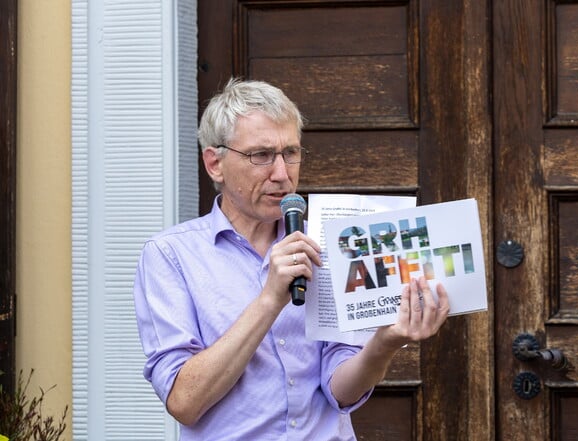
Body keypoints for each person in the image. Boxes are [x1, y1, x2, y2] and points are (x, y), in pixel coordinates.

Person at [133, 78, 451, 440]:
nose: (283, 175)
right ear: (214, 164)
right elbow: (185, 402)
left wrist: (385, 343)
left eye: (291, 153)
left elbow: (339, 390)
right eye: (261, 155)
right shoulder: (170, 256)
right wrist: (270, 300)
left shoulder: (331, 243)